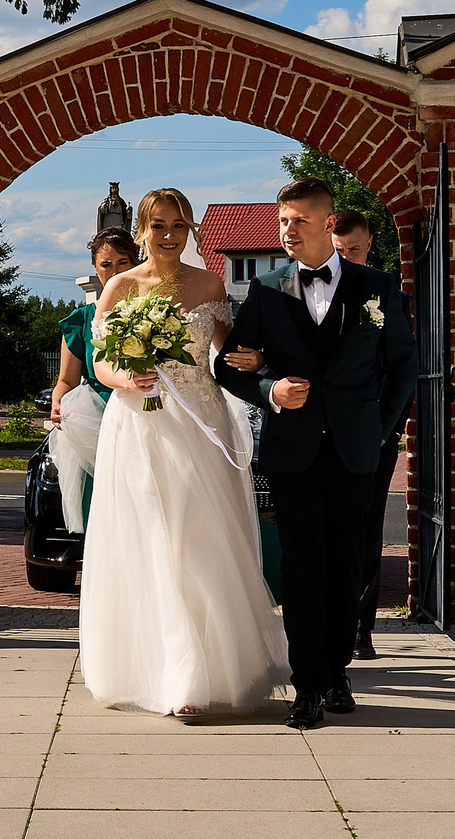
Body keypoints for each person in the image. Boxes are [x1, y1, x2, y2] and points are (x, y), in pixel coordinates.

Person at [78, 188, 288, 721]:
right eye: (157, 226)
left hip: (201, 424)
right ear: (142, 231)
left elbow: (227, 347)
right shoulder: (121, 286)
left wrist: (259, 358)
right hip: (142, 426)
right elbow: (100, 362)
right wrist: (126, 377)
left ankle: (215, 666)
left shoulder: (210, 282)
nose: (168, 236)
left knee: (199, 541)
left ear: (190, 228)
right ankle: (172, 672)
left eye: (178, 225)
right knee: (152, 541)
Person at [213, 179, 415, 728]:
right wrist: (267, 391)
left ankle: (336, 670)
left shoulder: (376, 287)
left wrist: (382, 430)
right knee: (302, 567)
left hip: (356, 450)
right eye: (282, 222)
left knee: (347, 565)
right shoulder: (266, 292)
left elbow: (404, 366)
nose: (287, 231)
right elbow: (225, 365)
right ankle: (306, 685)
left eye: (299, 221)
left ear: (328, 225)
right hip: (292, 451)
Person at [330, 209, 412, 661]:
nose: (348, 260)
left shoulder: (387, 295)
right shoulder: (313, 291)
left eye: (355, 251)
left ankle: (361, 627)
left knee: (366, 525)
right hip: (320, 430)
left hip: (371, 434)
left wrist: (386, 429)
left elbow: (401, 368)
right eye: (340, 252)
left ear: (371, 245)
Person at [49, 227, 141, 532]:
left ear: (136, 262)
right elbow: (66, 380)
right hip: (97, 425)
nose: (113, 271)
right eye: (105, 264)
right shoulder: (82, 320)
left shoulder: (152, 312)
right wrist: (57, 402)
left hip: (147, 415)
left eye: (122, 262)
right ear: (94, 267)